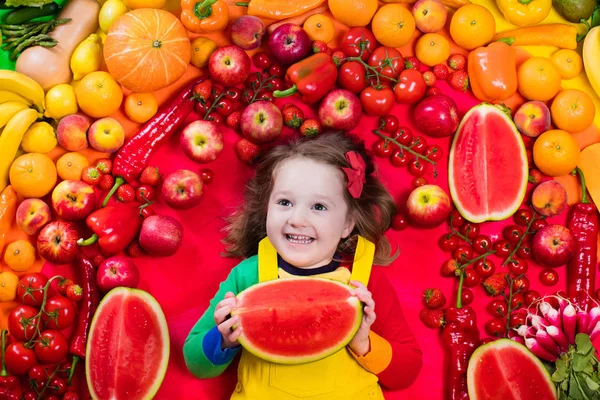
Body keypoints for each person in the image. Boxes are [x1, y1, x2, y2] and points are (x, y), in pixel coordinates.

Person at [183, 131, 422, 399]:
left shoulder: (364, 282)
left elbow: (408, 371)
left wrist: (364, 342)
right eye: (285, 202)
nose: (297, 218)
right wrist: (223, 338)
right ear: (267, 209)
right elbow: (196, 363)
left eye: (319, 207)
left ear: (347, 223)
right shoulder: (248, 276)